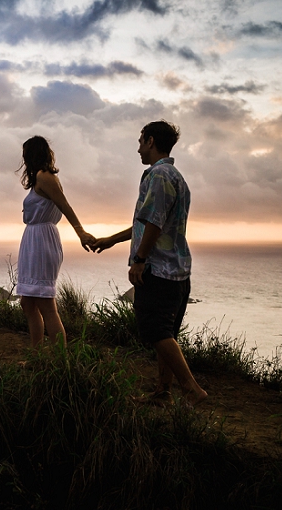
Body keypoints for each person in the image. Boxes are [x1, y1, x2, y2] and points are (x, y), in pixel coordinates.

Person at [91, 121, 208, 406]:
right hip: (178, 271)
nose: (138, 147)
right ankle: (163, 392)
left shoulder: (158, 176)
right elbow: (146, 223)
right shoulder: (176, 176)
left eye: (141, 141)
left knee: (155, 331)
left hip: (159, 270)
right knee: (166, 335)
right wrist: (111, 240)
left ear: (151, 141)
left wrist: (140, 260)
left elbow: (153, 224)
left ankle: (192, 389)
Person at [15, 136, 96, 347]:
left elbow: (65, 206)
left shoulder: (45, 177)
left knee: (46, 304)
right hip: (34, 241)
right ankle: (37, 354)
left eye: (26, 154)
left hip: (42, 242)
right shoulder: (40, 179)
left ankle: (61, 362)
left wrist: (81, 232)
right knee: (27, 303)